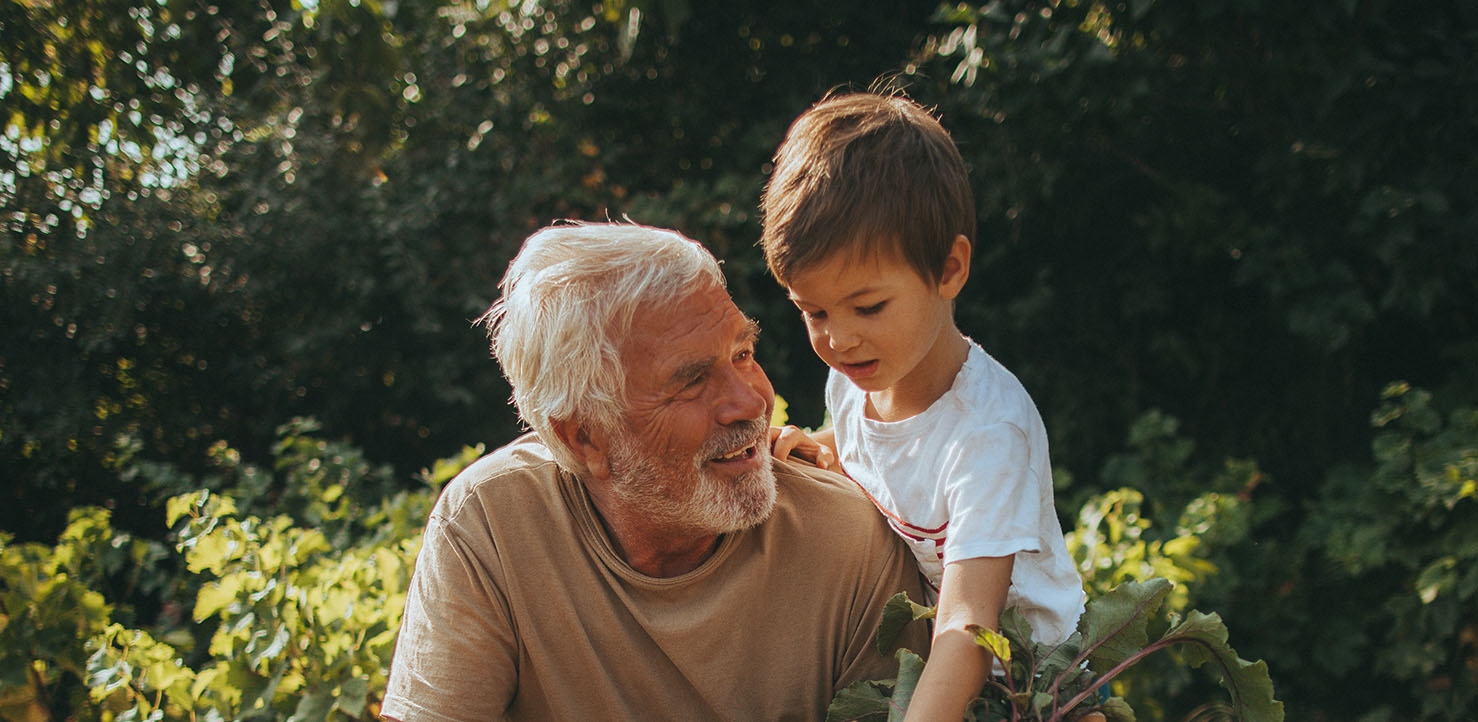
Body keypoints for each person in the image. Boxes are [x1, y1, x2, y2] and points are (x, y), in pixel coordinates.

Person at [381, 222, 930, 722]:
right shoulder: (492, 525)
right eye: (692, 380)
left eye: (742, 353)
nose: (751, 401)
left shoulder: (848, 538)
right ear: (586, 437)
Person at [761, 92, 1087, 722]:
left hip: (1034, 682)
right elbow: (871, 449)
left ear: (949, 269)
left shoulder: (988, 435)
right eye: (814, 311)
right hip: (937, 666)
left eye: (868, 306)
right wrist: (816, 449)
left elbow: (969, 625)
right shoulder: (856, 381)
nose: (839, 338)